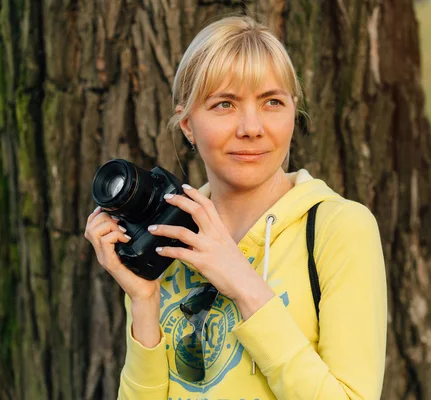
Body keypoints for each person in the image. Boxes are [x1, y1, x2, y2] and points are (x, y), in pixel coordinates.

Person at [84, 15, 387, 400]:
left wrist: (244, 285)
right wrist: (144, 302)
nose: (251, 127)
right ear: (188, 124)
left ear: (294, 113)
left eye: (272, 102)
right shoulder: (168, 238)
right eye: (224, 104)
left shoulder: (339, 228)